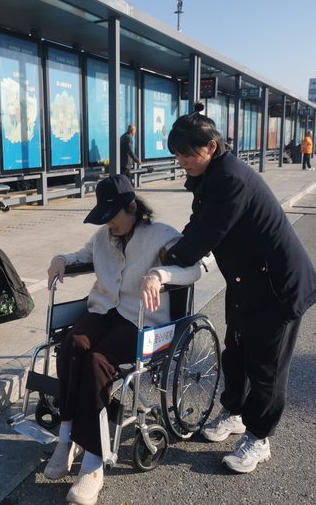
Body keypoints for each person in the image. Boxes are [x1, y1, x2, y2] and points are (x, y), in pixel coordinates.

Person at [161, 102, 316, 474]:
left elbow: (208, 232)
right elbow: (197, 223)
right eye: (177, 154)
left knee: (266, 365)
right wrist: (169, 249)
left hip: (277, 286)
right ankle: (233, 412)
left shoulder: (231, 178)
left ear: (211, 148)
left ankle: (259, 438)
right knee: (235, 351)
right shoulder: (209, 177)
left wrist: (166, 261)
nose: (181, 160)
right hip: (245, 279)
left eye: (187, 153)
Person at [44, 175, 201, 504]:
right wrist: (60, 258)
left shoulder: (161, 235)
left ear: (133, 207)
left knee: (99, 361)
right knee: (72, 345)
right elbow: (80, 255)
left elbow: (193, 269)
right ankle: (67, 438)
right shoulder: (103, 236)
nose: (108, 224)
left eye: (112, 215)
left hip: (141, 320)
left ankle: (93, 461)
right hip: (103, 311)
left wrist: (160, 275)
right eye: (103, 216)